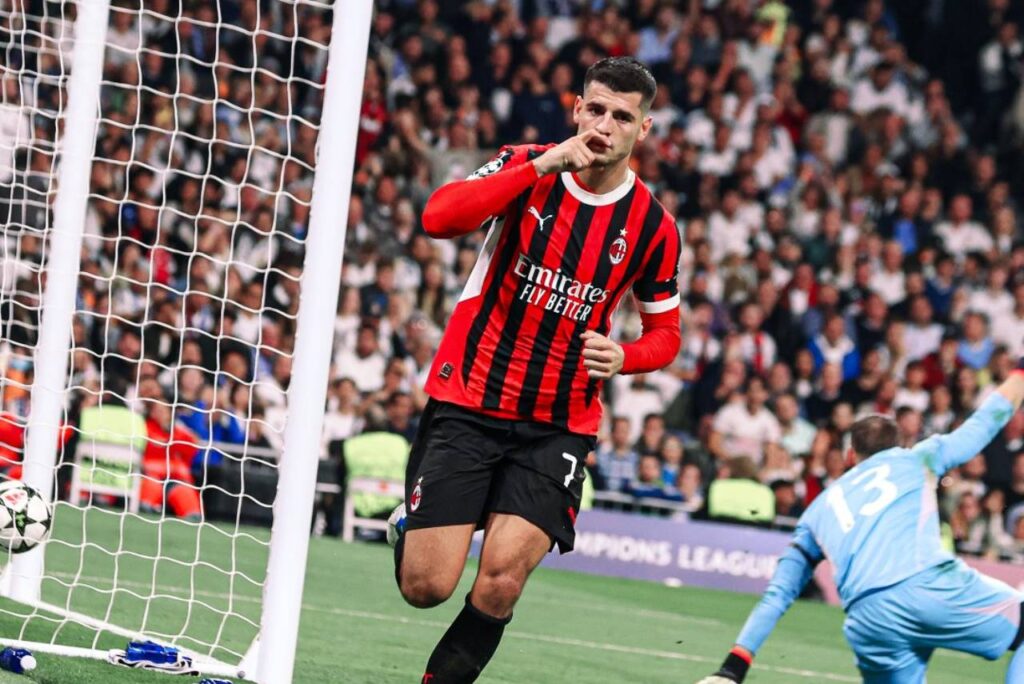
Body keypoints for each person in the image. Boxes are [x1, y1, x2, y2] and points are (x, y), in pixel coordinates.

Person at [390, 57, 682, 683]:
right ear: (577, 109)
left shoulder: (654, 227)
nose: (605, 125)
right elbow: (438, 219)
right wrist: (542, 165)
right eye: (596, 109)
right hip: (470, 401)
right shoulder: (526, 164)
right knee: (426, 587)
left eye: (622, 116)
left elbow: (667, 335)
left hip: (559, 424)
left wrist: (626, 356)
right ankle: (412, 521)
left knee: (499, 583)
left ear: (644, 130)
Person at [697, 361, 1024, 684]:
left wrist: (732, 669)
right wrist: (1019, 375)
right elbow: (984, 422)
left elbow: (778, 594)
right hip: (928, 586)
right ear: (899, 446)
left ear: (851, 457)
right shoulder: (916, 458)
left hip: (868, 619)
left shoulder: (817, 509)